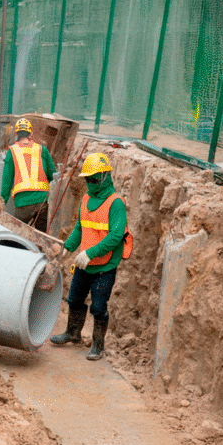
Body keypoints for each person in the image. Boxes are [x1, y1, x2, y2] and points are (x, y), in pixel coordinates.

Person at [50, 152, 129, 361]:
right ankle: (73, 333)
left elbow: (115, 236)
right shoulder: (85, 199)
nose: (90, 183)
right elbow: (79, 227)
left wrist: (90, 253)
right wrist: (67, 247)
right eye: (87, 180)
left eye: (94, 179)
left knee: (98, 307)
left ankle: (97, 345)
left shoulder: (116, 203)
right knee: (74, 299)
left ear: (104, 177)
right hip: (84, 265)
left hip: (104, 266)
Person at [0, 117, 57, 233]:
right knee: (42, 237)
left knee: (18, 236)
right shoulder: (42, 149)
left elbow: (7, 182)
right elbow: (53, 175)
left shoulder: (12, 151)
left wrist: (2, 204)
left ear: (16, 134)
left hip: (23, 203)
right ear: (31, 134)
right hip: (43, 202)